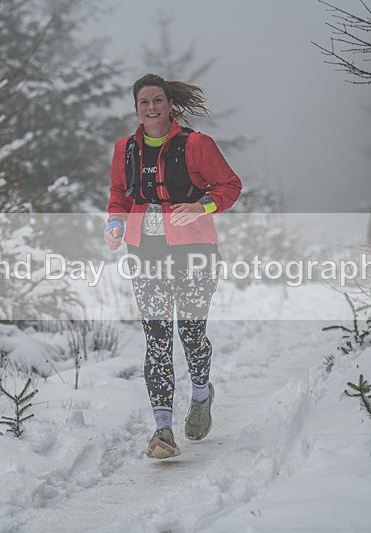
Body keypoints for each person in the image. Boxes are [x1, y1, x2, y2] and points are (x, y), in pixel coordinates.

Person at [104, 73, 242, 459]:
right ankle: (162, 430)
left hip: (194, 250)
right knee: (157, 338)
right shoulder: (125, 149)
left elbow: (229, 187)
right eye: (144, 102)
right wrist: (115, 224)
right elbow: (119, 194)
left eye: (158, 101)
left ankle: (201, 395)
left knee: (191, 334)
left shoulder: (196, 145)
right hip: (144, 252)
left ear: (169, 104)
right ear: (136, 107)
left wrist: (202, 205)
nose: (151, 108)